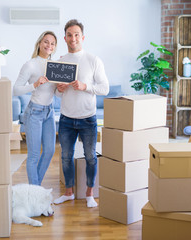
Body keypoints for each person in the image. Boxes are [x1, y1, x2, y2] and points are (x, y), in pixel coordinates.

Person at [53, 19, 109, 208]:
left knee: (91, 157)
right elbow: (55, 93)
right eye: (69, 35)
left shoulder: (93, 60)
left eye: (76, 34)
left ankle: (89, 194)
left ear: (82, 37)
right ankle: (68, 193)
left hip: (88, 118)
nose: (73, 38)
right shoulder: (60, 61)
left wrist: (85, 86)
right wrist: (59, 89)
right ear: (65, 38)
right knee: (66, 157)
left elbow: (105, 88)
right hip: (66, 119)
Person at [13, 31, 57, 186]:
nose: (49, 46)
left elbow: (54, 91)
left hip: (49, 112)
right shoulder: (30, 64)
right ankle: (35, 192)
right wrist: (35, 84)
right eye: (46, 42)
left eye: (52, 43)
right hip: (34, 113)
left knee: (50, 150)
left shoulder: (55, 66)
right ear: (39, 43)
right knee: (33, 155)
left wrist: (61, 89)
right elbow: (16, 89)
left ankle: (35, 189)